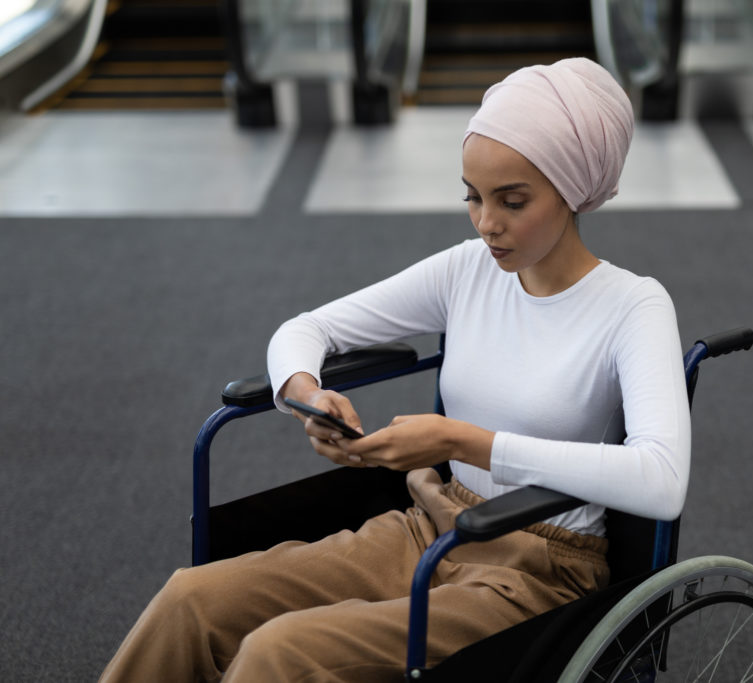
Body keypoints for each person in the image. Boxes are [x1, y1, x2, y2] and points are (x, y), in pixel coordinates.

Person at [100, 57, 690, 683]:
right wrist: (306, 390)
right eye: (473, 196)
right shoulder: (468, 272)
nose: (486, 222)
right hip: (434, 522)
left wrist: (462, 441)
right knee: (191, 603)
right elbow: (306, 330)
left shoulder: (633, 305)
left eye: (512, 201)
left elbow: (661, 479)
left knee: (281, 652)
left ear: (573, 191)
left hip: (540, 574)